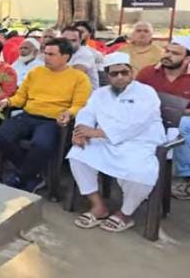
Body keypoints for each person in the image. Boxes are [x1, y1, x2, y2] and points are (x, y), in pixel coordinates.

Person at [68, 52, 166, 232]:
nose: (120, 77)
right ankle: (98, 206)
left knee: (140, 173)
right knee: (77, 155)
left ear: (131, 72)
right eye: (114, 73)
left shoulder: (146, 92)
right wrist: (80, 131)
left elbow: (138, 123)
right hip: (104, 141)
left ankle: (125, 213)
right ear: (107, 75)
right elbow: (87, 113)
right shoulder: (100, 94)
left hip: (139, 142)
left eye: (124, 72)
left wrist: (96, 132)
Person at [0, 38, 92, 192]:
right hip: (28, 115)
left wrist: (69, 112)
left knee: (41, 144)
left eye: (51, 54)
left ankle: (22, 176)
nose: (46, 57)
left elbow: (80, 105)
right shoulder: (36, 72)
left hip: (53, 120)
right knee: (1, 135)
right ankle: (32, 175)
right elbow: (21, 97)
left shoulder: (79, 78)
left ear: (65, 57)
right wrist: (8, 101)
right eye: (45, 53)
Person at [136, 37, 190, 199]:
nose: (168, 55)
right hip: (150, 117)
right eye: (167, 51)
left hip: (183, 118)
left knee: (182, 126)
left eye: (175, 53)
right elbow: (134, 97)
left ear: (187, 59)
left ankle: (185, 178)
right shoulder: (148, 72)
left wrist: (179, 112)